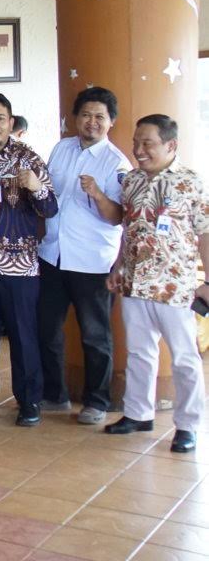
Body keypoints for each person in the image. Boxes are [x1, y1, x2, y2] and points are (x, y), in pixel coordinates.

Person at [105, 115, 204, 454]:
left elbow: (205, 232)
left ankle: (187, 425)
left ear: (170, 145)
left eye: (147, 143)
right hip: (134, 283)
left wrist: (208, 281)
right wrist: (118, 265)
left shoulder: (190, 182)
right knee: (138, 352)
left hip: (174, 285)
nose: (138, 150)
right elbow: (129, 230)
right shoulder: (131, 180)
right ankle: (138, 414)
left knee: (184, 358)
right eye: (136, 143)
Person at [37, 86, 130, 425]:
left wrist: (98, 194)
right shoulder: (61, 148)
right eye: (86, 115)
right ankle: (55, 395)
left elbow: (118, 217)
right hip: (52, 254)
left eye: (99, 117)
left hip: (92, 262)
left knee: (95, 335)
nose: (92, 122)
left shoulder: (116, 162)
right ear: (75, 118)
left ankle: (97, 401)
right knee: (47, 329)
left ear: (111, 121)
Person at [0, 93, 57, 426]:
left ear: (10, 122)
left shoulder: (28, 158)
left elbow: (50, 209)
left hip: (19, 265)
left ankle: (29, 399)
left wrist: (36, 187)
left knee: (23, 336)